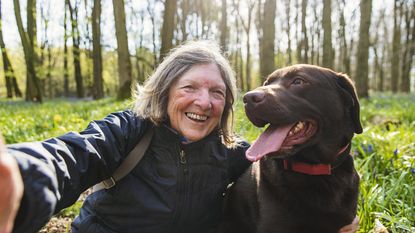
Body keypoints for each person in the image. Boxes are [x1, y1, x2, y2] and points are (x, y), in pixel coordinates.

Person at [0, 41, 359, 233]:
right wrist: (22, 175)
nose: (203, 102)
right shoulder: (128, 132)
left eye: (217, 93)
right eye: (189, 87)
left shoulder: (234, 154)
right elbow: (72, 156)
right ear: (164, 91)